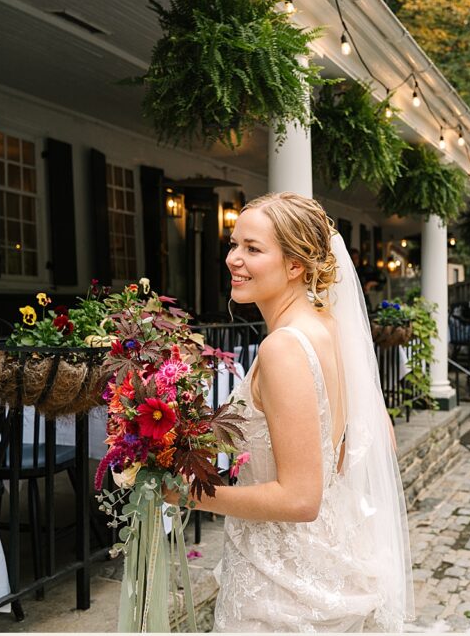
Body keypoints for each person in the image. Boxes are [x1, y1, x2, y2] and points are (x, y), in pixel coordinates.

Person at [167, 192, 414, 631]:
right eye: (234, 244)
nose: (233, 260)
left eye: (253, 249)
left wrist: (187, 493)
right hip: (332, 553)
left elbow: (299, 499)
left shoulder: (283, 347)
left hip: (283, 585)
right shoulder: (331, 328)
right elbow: (381, 438)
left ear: (296, 265)